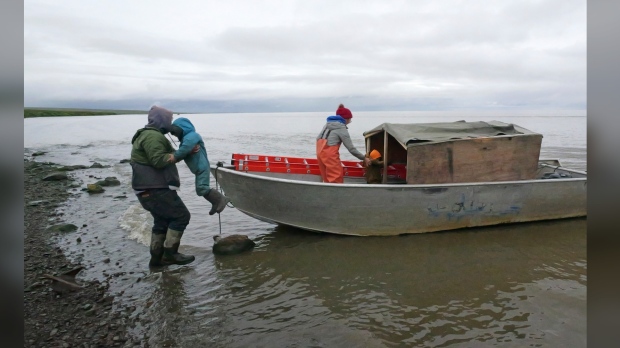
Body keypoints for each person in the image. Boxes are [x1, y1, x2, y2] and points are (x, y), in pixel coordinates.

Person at [130, 106, 195, 267]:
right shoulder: (153, 137)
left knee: (162, 221)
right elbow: (159, 161)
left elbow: (169, 156)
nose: (171, 123)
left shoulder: (148, 134)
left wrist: (186, 152)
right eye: (169, 119)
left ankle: (156, 260)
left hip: (146, 188)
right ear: (161, 120)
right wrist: (182, 153)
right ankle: (170, 254)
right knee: (181, 216)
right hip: (155, 188)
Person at [168, 117, 230, 215]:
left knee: (202, 187)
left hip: (202, 167)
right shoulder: (186, 139)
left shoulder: (192, 136)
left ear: (180, 129)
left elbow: (185, 148)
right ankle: (215, 202)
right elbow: (186, 150)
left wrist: (175, 156)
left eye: (175, 133)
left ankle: (221, 199)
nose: (175, 136)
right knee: (200, 189)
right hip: (198, 169)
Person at [316, 104, 370, 183]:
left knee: (326, 178)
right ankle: (337, 194)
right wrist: (364, 158)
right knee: (336, 179)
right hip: (330, 155)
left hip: (319, 152)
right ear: (346, 119)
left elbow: (318, 138)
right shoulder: (341, 128)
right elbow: (351, 148)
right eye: (350, 119)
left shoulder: (327, 125)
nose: (350, 122)